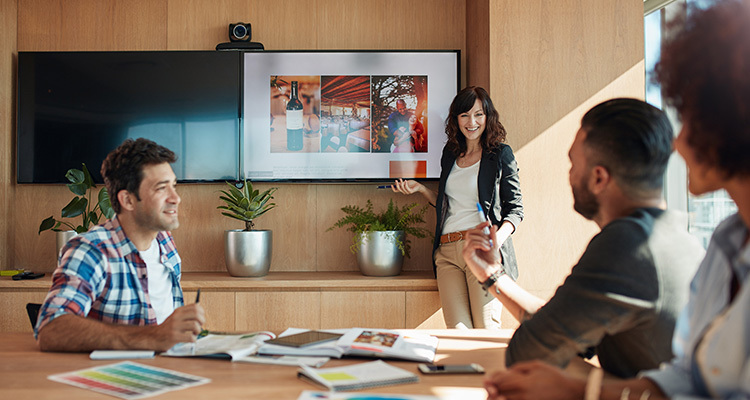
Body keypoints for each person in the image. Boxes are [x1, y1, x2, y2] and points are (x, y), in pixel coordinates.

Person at [481, 1, 750, 398]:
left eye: (693, 117)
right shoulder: (716, 239)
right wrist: (494, 276)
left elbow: (532, 346)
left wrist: (579, 390)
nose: (679, 141)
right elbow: (686, 383)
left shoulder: (630, 243)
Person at [463, 98, 705, 378]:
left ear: (599, 177)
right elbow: (556, 327)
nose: (569, 174)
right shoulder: (673, 237)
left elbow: (528, 350)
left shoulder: (627, 245)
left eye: (573, 163)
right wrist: (493, 274)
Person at [35, 138, 205, 352]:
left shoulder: (164, 240)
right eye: (162, 189)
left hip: (169, 367)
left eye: (174, 186)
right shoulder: (90, 250)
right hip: (110, 376)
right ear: (128, 200)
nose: (176, 198)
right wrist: (152, 338)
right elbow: (52, 329)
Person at [392, 86, 523, 329]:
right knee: (458, 333)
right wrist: (420, 189)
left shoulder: (500, 154)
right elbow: (447, 204)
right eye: (464, 115)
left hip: (480, 250)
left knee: (486, 331)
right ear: (456, 119)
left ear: (488, 116)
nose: (471, 122)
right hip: (447, 253)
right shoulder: (450, 154)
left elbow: (515, 210)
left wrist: (495, 242)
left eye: (478, 114)